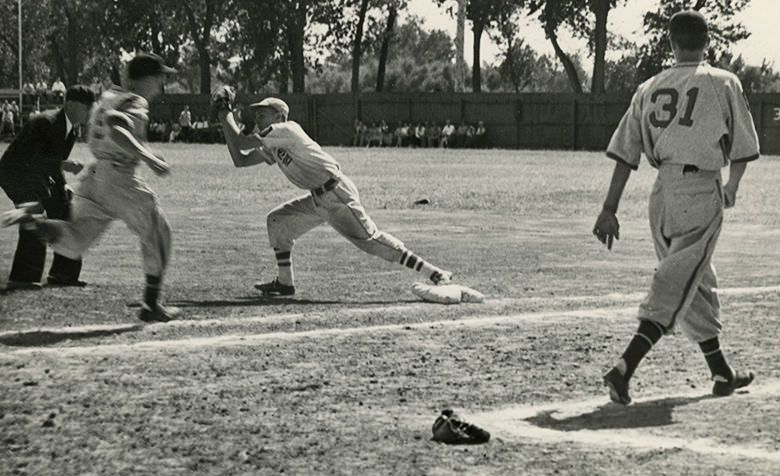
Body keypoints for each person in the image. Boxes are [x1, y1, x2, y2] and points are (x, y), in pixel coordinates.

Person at [593, 10, 759, 405]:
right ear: (708, 41)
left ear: (671, 44)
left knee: (696, 279)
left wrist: (609, 208)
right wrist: (731, 187)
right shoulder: (723, 81)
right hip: (701, 190)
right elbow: (742, 147)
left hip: (661, 194)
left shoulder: (649, 86)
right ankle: (624, 367)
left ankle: (720, 371)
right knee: (676, 282)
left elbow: (625, 153)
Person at [212, 90, 453, 296]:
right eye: (256, 113)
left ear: (279, 116)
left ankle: (434, 272)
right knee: (278, 221)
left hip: (336, 194)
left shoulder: (287, 129)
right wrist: (225, 121)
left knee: (371, 240)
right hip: (318, 198)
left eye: (263, 112)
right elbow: (240, 160)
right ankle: (285, 283)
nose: (257, 116)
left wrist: (226, 114)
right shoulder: (273, 143)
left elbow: (242, 143)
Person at [0, 54, 179, 322]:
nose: (161, 84)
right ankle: (151, 304)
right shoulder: (136, 100)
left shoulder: (107, 97)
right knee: (158, 232)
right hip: (120, 179)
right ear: (149, 79)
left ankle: (36, 223)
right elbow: (118, 127)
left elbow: (108, 130)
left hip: (95, 177)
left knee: (74, 239)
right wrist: (148, 156)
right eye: (160, 77)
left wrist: (141, 150)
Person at [0, 86, 95, 290]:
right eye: (86, 107)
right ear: (70, 104)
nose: (90, 111)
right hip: (14, 174)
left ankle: (63, 274)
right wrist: (65, 165)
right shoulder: (46, 122)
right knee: (35, 215)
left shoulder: (71, 130)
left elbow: (51, 165)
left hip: (37, 176)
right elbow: (33, 159)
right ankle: (23, 278)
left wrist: (63, 187)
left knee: (66, 211)